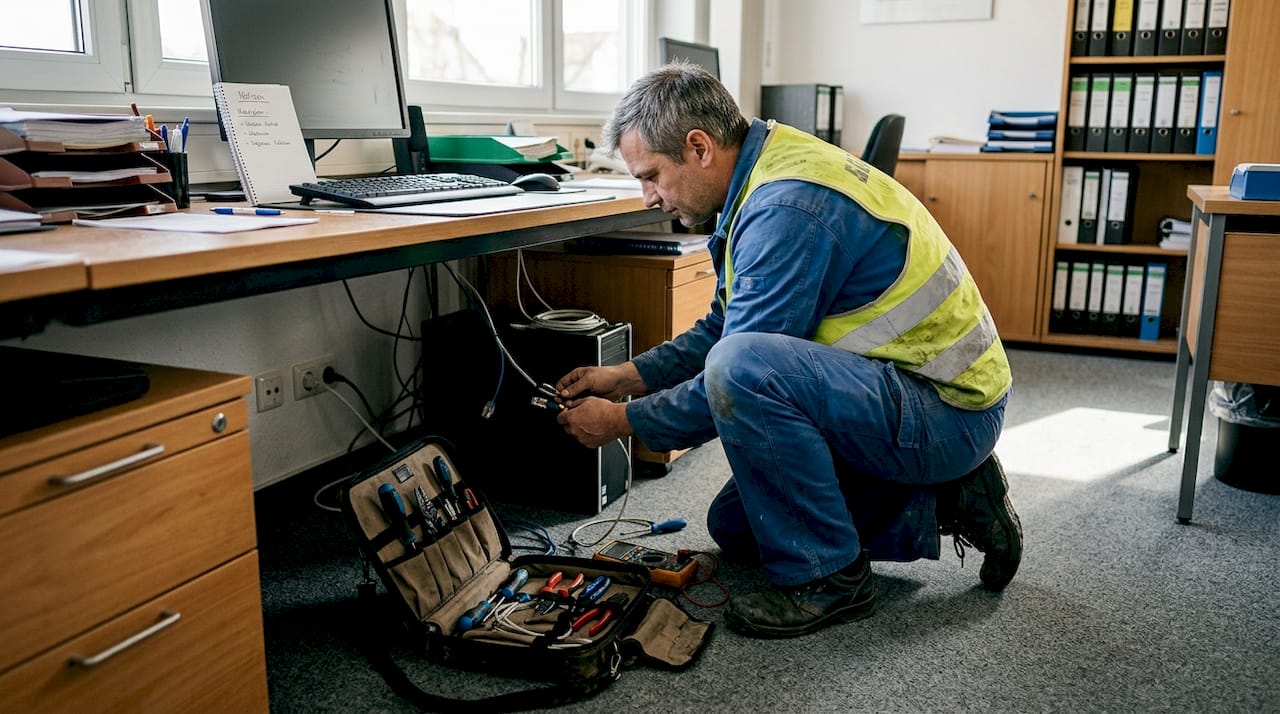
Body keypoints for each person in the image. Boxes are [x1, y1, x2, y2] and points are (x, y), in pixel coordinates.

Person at [554, 63, 1022, 639]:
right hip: (911, 391)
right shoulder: (767, 164)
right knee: (736, 525)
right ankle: (951, 498)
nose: (648, 197)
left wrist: (622, 421)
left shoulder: (787, 209)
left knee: (745, 372)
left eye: (651, 175)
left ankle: (831, 579)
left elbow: (737, 372)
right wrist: (628, 375)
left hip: (949, 410)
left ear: (698, 147)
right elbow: (727, 325)